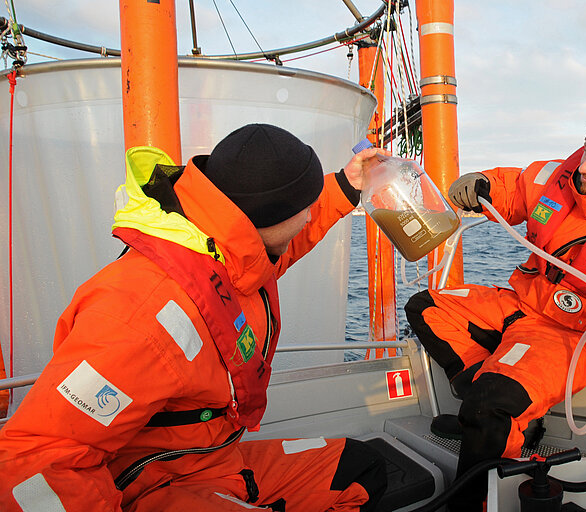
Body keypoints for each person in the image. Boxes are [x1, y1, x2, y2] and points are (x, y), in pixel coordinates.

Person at [0, 124, 388, 511]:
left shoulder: (233, 252)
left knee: (359, 468)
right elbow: (37, 458)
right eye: (304, 205)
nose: (309, 216)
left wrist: (345, 186)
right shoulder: (140, 310)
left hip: (213, 463)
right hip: (153, 484)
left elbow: (283, 238)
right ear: (265, 216)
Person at [405, 105, 586, 511]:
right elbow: (515, 186)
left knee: (491, 405)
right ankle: (503, 417)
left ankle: (474, 484)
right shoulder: (559, 177)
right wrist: (481, 185)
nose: (585, 166)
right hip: (523, 302)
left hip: (577, 334)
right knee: (425, 308)